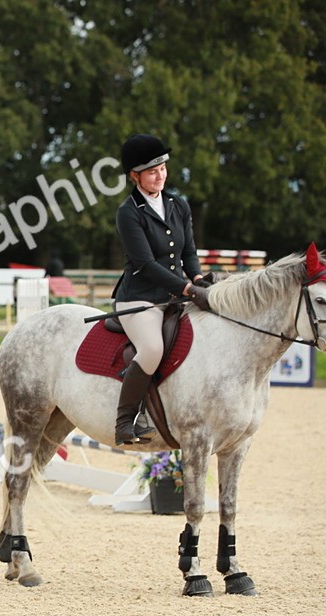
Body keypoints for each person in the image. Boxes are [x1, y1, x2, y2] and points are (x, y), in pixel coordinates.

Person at [112, 133, 211, 445]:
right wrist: (186, 289)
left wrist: (196, 279)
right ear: (134, 176)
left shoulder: (178, 205)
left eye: (163, 169)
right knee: (153, 348)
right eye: (152, 171)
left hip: (178, 295)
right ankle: (125, 420)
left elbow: (189, 253)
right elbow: (144, 263)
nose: (160, 176)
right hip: (139, 300)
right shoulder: (129, 212)